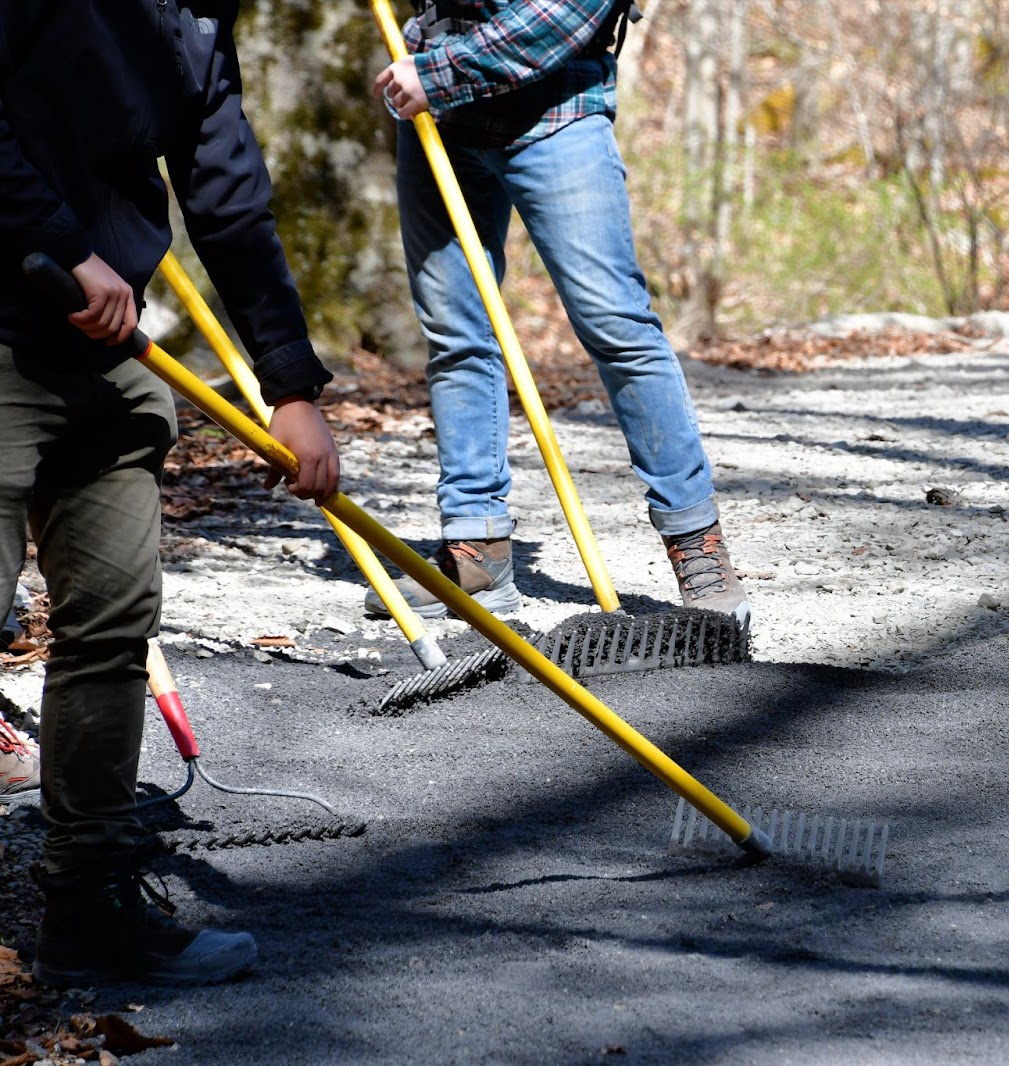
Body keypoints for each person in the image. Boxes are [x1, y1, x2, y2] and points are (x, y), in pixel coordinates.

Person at [1, 1, 342, 983]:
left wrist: (289, 385)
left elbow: (226, 192)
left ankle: (93, 903)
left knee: (110, 626)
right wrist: (64, 243)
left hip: (110, 355)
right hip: (6, 326)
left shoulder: (194, 17)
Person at [368, 0, 750, 626]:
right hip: (442, 120)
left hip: (555, 115)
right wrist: (435, 76)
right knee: (457, 337)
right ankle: (477, 551)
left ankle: (695, 543)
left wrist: (439, 73)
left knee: (617, 327)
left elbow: (567, 10)